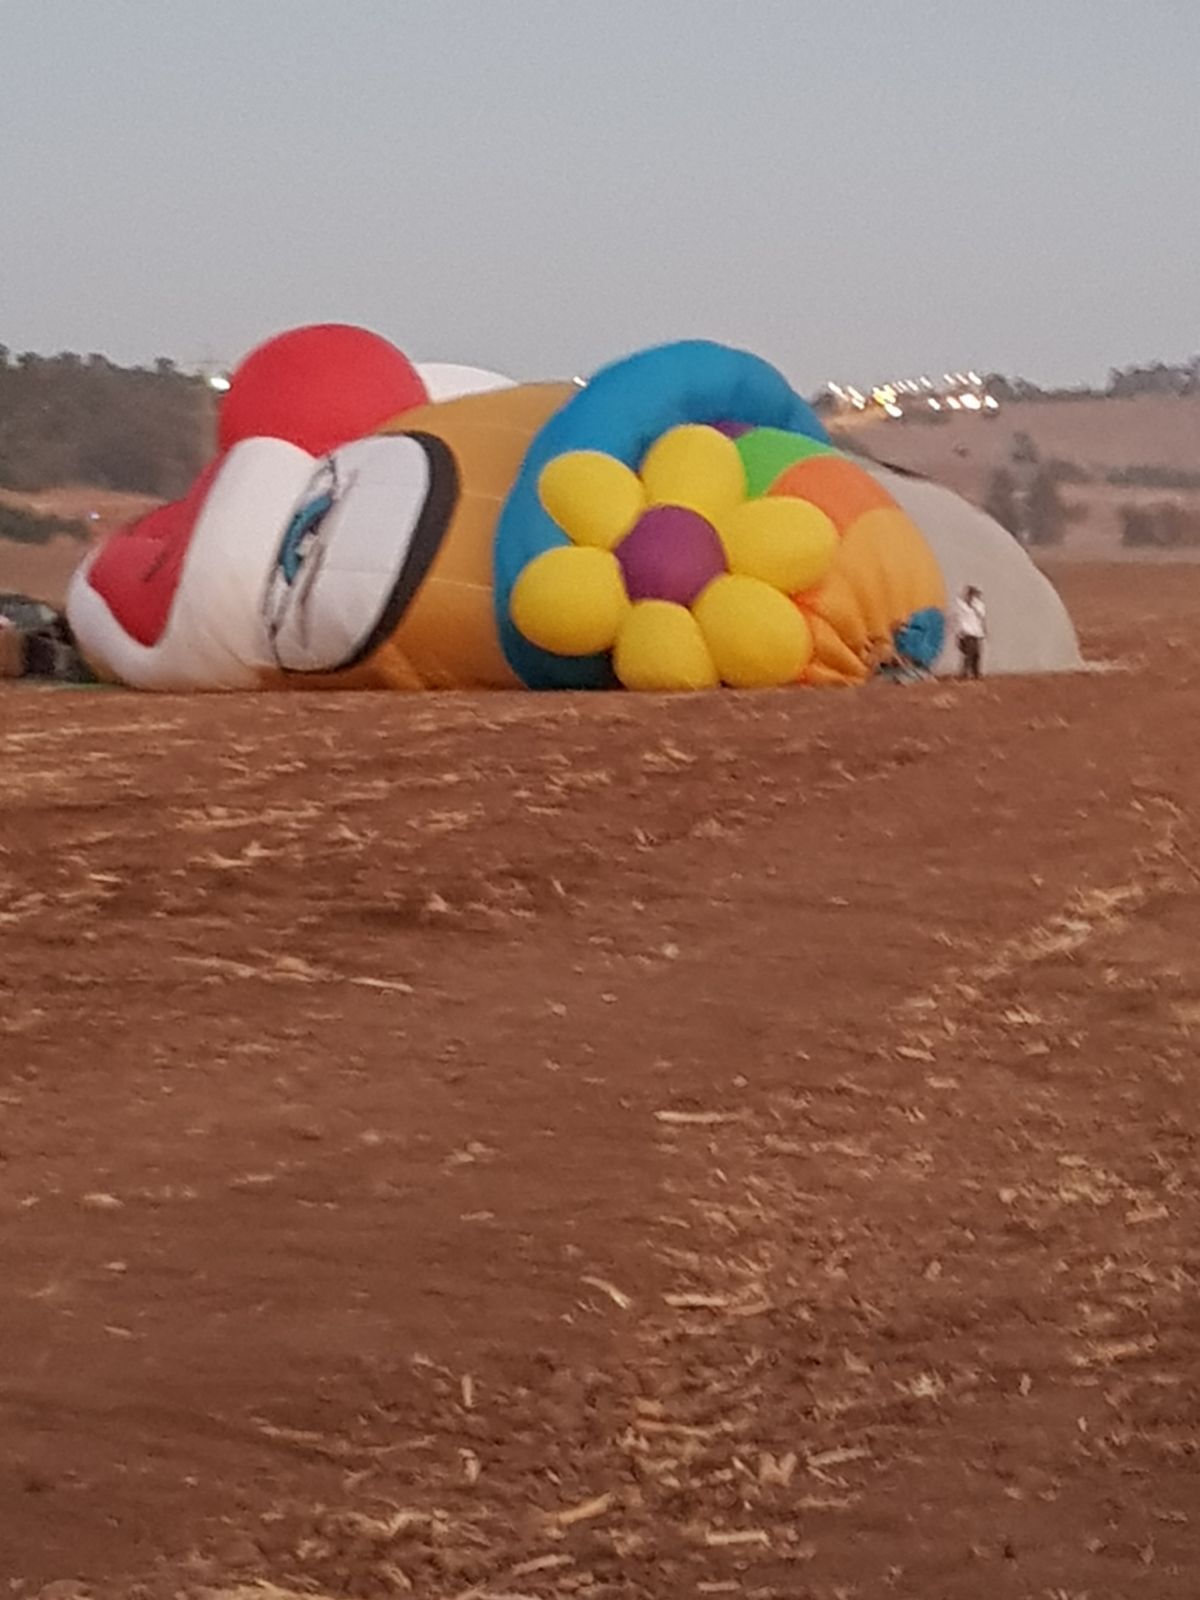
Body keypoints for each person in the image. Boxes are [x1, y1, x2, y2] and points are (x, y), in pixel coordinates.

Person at [955, 585, 987, 680]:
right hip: (966, 632)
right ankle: (965, 673)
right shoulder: (962, 605)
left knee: (976, 654)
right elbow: (959, 613)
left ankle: (975, 672)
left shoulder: (979, 605)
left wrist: (984, 630)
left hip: (976, 632)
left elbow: (981, 617)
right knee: (969, 653)